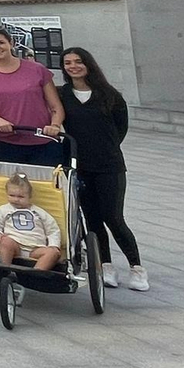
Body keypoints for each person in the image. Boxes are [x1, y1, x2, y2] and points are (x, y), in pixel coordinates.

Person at [59, 48, 147, 291]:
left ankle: (137, 268)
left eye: (78, 61)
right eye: (67, 63)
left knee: (114, 217)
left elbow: (121, 128)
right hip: (80, 166)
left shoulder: (109, 95)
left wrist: (104, 148)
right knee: (92, 219)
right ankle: (105, 265)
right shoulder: (62, 94)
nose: (73, 66)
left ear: (89, 64)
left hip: (109, 166)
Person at [0, 27, 65, 167]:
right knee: (15, 187)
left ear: (12, 43)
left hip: (43, 141)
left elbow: (56, 106)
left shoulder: (37, 69)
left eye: (1, 42)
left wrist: (55, 125)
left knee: (45, 187)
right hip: (7, 143)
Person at [0, 173, 63, 271]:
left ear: (29, 196)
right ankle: (6, 270)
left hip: (36, 249)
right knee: (5, 242)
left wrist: (54, 245)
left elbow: (53, 230)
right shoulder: (4, 210)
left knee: (54, 253)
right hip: (15, 246)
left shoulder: (39, 212)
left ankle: (35, 274)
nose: (16, 199)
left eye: (21, 197)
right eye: (12, 195)